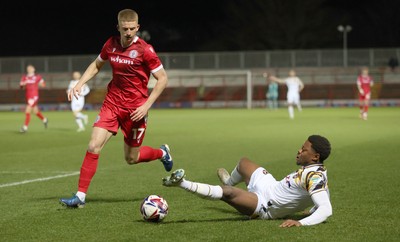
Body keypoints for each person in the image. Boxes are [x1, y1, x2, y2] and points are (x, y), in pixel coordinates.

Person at [60, 9, 173, 208]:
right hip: (112, 104)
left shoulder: (145, 50)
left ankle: (162, 153)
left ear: (137, 27)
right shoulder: (110, 44)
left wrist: (146, 105)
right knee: (93, 145)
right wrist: (79, 83)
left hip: (136, 110)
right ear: (118, 27)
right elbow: (96, 65)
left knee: (132, 158)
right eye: (124, 29)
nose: (128, 32)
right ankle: (80, 196)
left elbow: (162, 79)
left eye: (132, 29)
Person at [163, 135, 332, 227]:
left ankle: (180, 183)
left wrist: (300, 223)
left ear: (315, 156)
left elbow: (326, 209)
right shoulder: (315, 173)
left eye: (304, 149)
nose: (299, 150)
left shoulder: (315, 177)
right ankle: (228, 181)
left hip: (266, 205)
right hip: (270, 185)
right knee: (244, 163)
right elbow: (322, 193)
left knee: (228, 194)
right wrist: (313, 207)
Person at [19, 64, 48, 133]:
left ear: (34, 69)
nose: (29, 69)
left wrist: (40, 84)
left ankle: (25, 127)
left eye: (31, 68)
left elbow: (44, 84)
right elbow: (21, 87)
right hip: (28, 96)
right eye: (28, 68)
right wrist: (23, 84)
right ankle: (44, 120)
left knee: (27, 111)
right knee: (35, 111)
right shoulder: (24, 77)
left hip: (34, 96)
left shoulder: (37, 77)